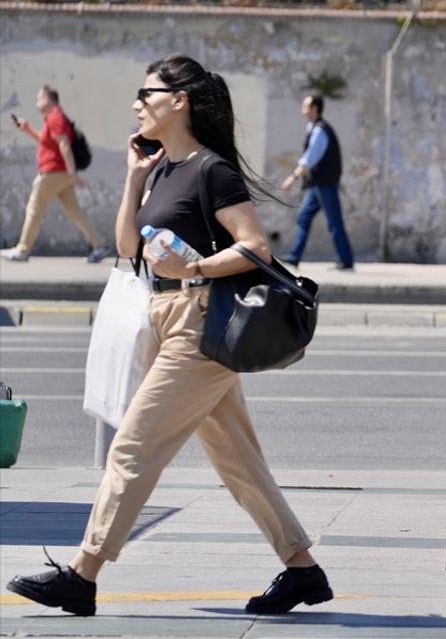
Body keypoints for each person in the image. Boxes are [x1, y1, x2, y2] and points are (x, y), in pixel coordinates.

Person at [5, 56, 333, 617]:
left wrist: (198, 271)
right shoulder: (161, 169)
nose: (137, 103)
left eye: (146, 92)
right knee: (236, 457)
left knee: (132, 446)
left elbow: (255, 246)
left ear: (177, 100)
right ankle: (303, 570)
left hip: (199, 324)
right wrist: (134, 178)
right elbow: (128, 247)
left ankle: (83, 575)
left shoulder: (211, 170)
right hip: (162, 316)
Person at [2, 85, 112, 263]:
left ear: (48, 99)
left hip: (53, 172)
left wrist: (72, 174)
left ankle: (22, 250)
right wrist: (28, 129)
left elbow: (64, 146)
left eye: (39, 98)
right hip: (61, 173)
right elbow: (50, 144)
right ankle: (99, 244)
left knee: (34, 208)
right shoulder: (53, 118)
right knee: (73, 211)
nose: (36, 102)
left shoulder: (55, 117)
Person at [280, 94, 354, 270]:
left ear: (315, 109)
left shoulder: (320, 130)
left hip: (325, 184)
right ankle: (294, 256)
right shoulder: (314, 128)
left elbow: (309, 159)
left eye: (305, 107)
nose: (302, 111)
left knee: (334, 222)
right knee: (303, 217)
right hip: (317, 185)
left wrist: (293, 178)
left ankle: (347, 261)